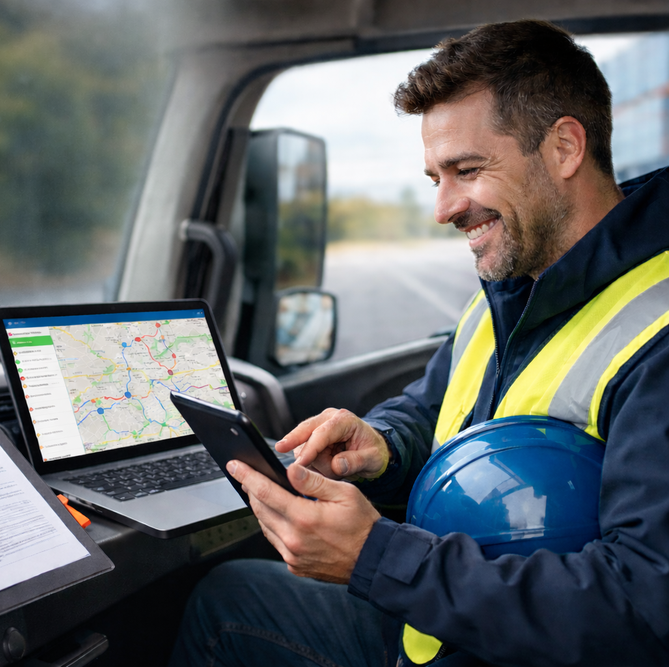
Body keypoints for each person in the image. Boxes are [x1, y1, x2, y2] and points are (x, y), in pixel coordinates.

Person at [170, 19, 669, 667]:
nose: (443, 207)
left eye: (466, 169)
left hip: (506, 643)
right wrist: (382, 444)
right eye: (436, 176)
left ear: (565, 148)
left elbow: (642, 608)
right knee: (227, 597)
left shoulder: (655, 331)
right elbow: (435, 406)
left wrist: (377, 558)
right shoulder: (514, 284)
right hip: (441, 623)